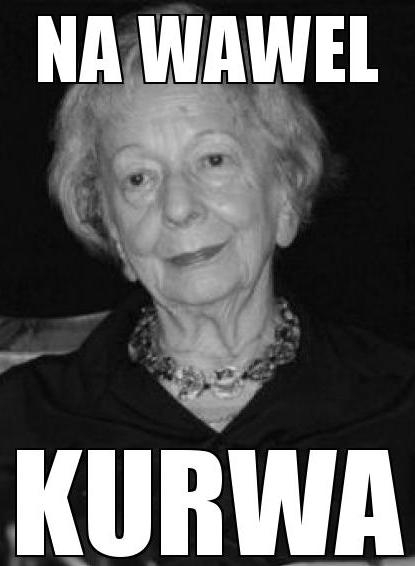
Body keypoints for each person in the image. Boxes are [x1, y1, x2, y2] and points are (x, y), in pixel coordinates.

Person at [0, 2, 414, 564]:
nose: (177, 206)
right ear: (113, 229)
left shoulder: (399, 408)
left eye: (213, 160)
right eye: (138, 177)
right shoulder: (20, 425)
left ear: (286, 193)